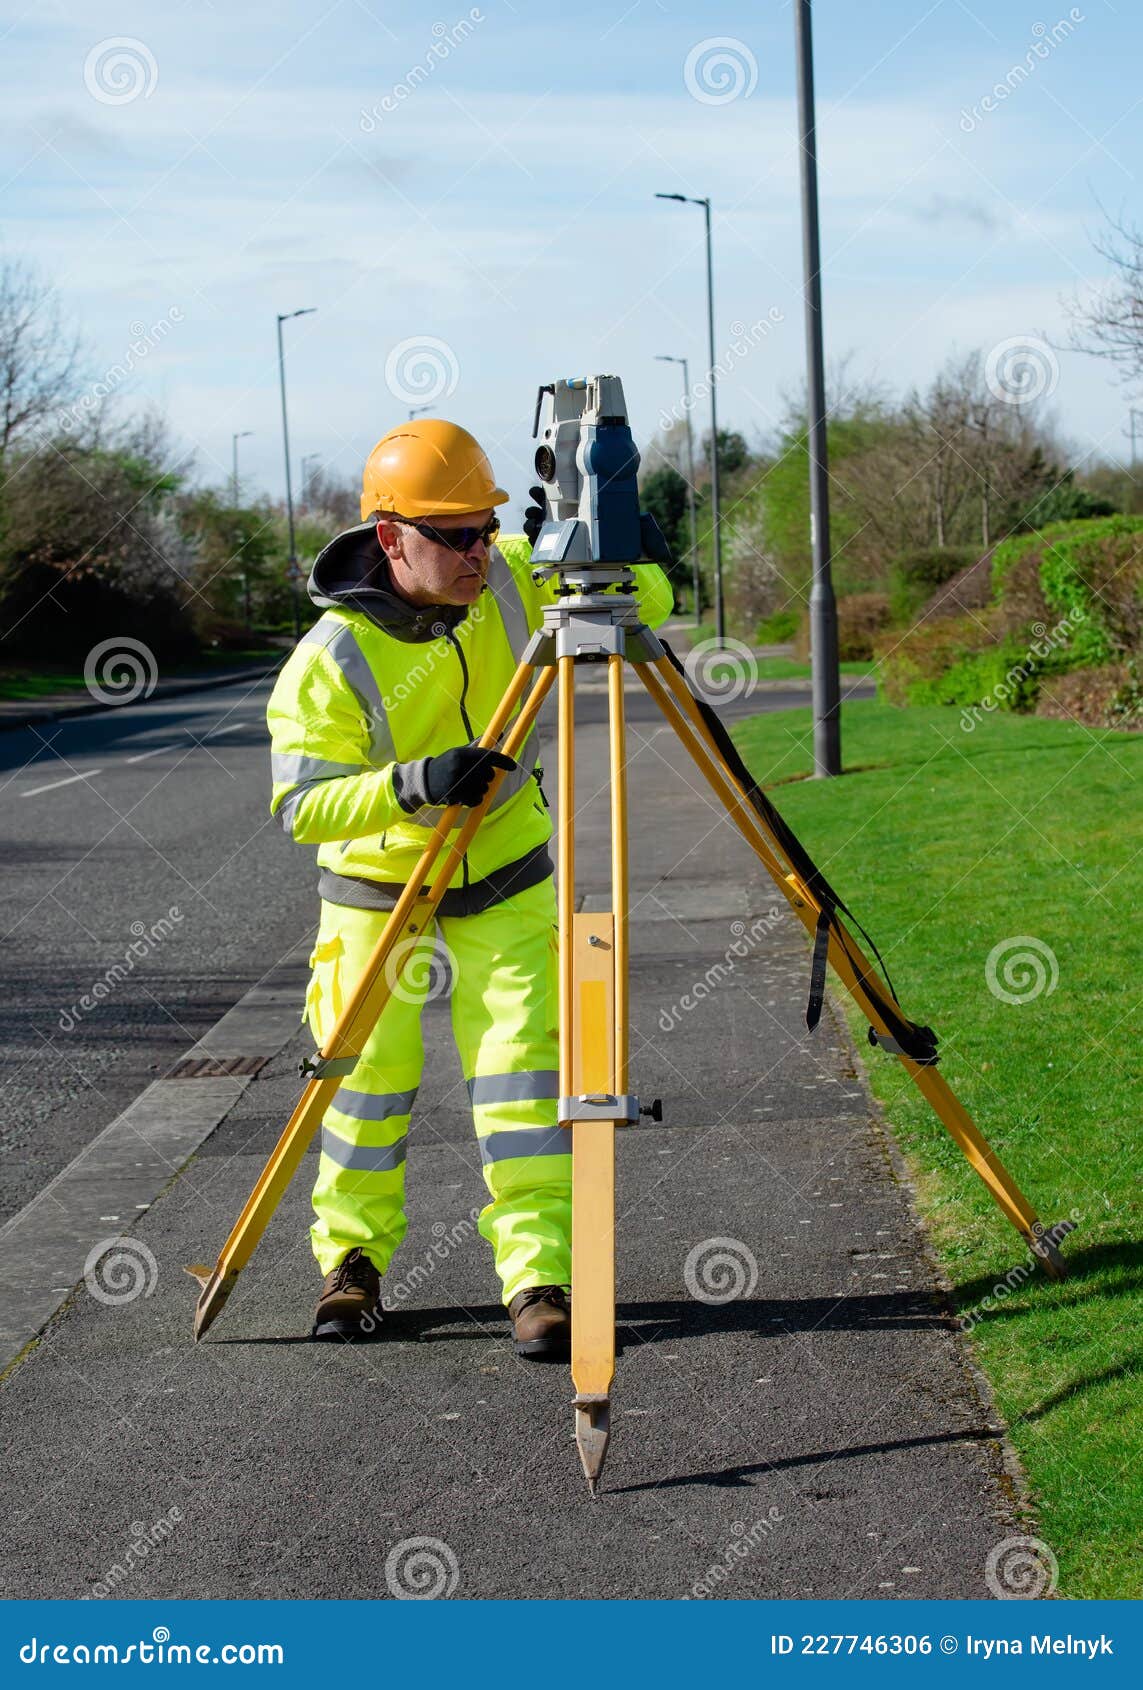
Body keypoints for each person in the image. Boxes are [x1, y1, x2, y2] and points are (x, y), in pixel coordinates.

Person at [267, 417, 673, 1354]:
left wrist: (627, 546)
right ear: (389, 535)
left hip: (504, 871)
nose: (475, 551)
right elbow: (301, 805)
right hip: (379, 894)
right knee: (364, 1085)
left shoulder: (508, 578)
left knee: (523, 1080)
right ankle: (352, 1265)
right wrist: (413, 783)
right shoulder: (331, 658)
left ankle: (537, 1276)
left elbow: (633, 596)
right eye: (451, 535)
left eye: (484, 528)